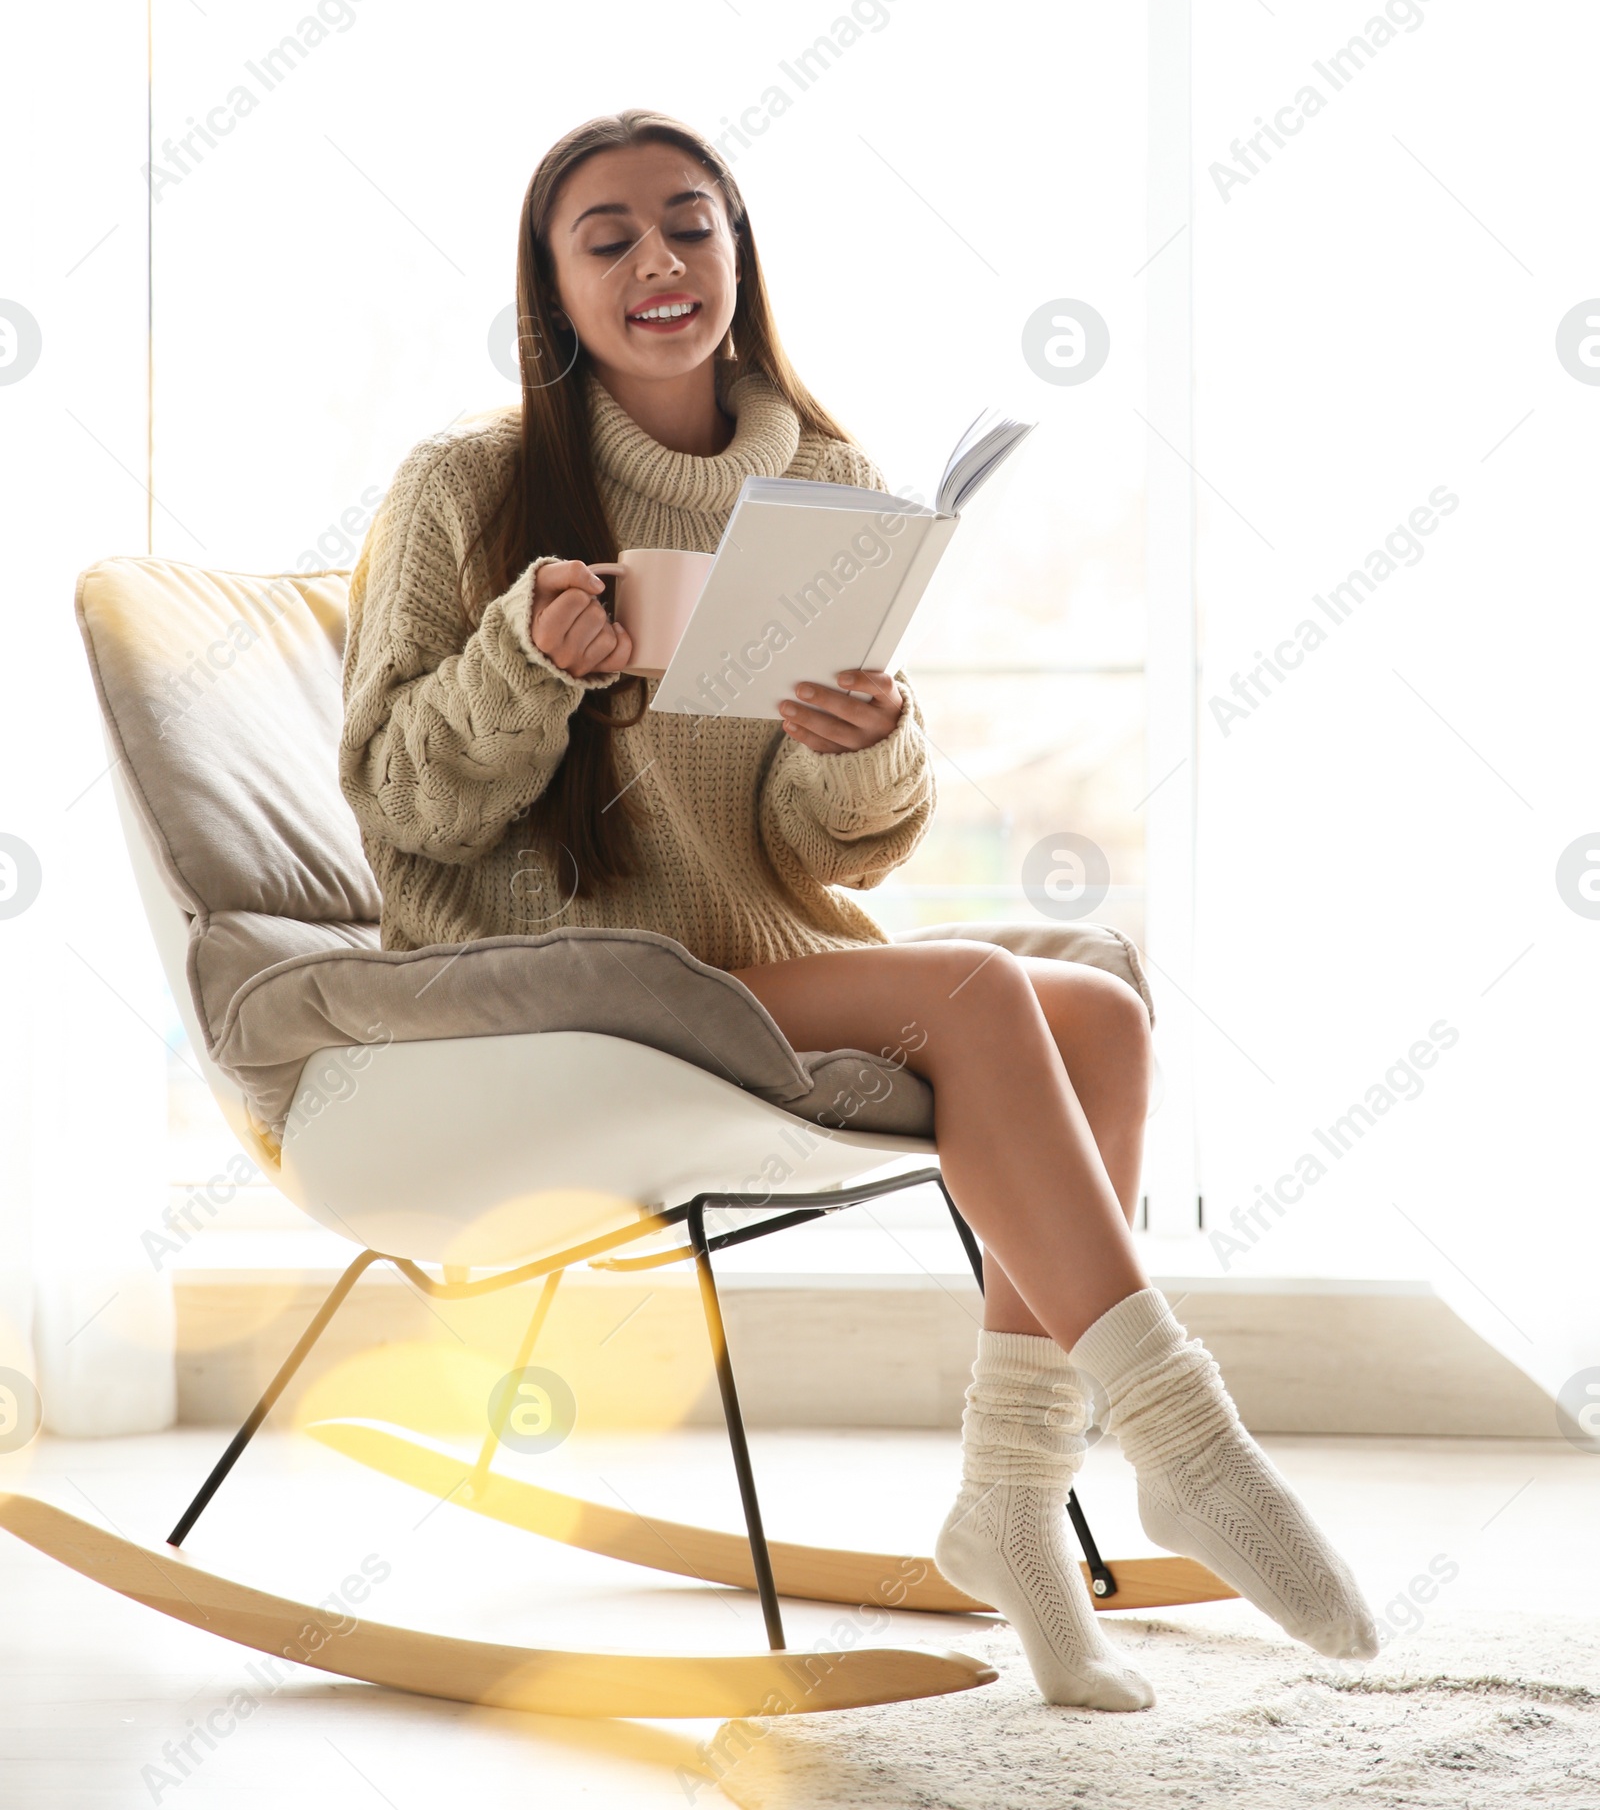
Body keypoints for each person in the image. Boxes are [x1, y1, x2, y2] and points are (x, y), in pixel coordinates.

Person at [340, 108, 1377, 1709]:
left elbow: (830, 855)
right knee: (973, 997)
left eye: (691, 225)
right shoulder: (466, 485)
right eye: (607, 239)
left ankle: (1011, 1502)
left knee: (1096, 1006)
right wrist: (528, 661)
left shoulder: (826, 483)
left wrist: (864, 742)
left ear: (740, 255)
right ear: (552, 290)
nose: (660, 262)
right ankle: (1186, 1436)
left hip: (746, 948)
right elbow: (404, 804)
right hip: (548, 976)